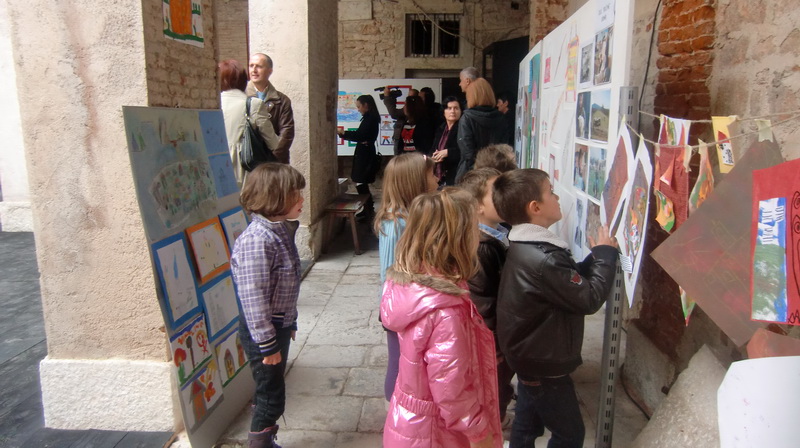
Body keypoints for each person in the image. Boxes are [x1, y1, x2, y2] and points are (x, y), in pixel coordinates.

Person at [492, 168, 619, 448]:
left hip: (527, 354)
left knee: (526, 425)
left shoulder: (529, 246)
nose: (558, 196)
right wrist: (607, 256)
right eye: (550, 191)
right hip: (542, 362)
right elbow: (588, 298)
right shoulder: (544, 257)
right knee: (570, 434)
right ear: (535, 207)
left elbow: (565, 284)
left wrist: (596, 257)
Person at [380, 188, 502, 448]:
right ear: (457, 239)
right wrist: (480, 434)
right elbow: (452, 390)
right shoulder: (446, 311)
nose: (478, 237)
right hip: (438, 434)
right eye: (474, 230)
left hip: (412, 423)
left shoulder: (413, 283)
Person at [230, 163, 306, 448]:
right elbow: (254, 299)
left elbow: (285, 285)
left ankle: (266, 440)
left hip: (278, 325)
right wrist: (268, 344)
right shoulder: (257, 240)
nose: (301, 200)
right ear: (274, 198)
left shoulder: (277, 231)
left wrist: (292, 321)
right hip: (265, 331)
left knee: (272, 390)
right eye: (294, 194)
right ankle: (259, 443)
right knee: (270, 396)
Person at [373, 153, 438, 401]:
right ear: (415, 182)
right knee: (399, 363)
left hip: (413, 303)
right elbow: (391, 272)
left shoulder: (415, 215)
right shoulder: (395, 221)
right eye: (431, 174)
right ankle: (394, 412)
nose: (436, 178)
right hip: (400, 307)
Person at [457, 168, 516, 426]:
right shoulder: (481, 247)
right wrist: (496, 346)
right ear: (478, 207)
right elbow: (484, 303)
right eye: (497, 193)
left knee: (500, 384)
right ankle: (495, 424)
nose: (506, 197)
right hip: (494, 342)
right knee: (494, 386)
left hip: (501, 336)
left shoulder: (499, 233)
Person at [219, 60, 281, 188]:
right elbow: (273, 143)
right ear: (243, 80)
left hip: (217, 166)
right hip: (244, 167)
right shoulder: (254, 104)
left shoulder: (211, 104)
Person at [455, 78, 508, 182]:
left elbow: (467, 152)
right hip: (497, 173)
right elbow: (505, 148)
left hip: (471, 175)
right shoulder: (501, 118)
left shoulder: (467, 118)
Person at [245, 53, 294, 164]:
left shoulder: (282, 100)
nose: (254, 70)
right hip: (249, 158)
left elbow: (287, 132)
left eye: (259, 66)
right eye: (251, 66)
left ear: (269, 71)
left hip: (274, 160)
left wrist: (273, 157)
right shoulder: (242, 97)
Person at [338, 94, 380, 221]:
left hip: (365, 154)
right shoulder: (368, 118)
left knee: (361, 181)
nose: (358, 109)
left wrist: (344, 133)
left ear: (366, 105)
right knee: (360, 181)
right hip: (364, 152)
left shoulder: (370, 119)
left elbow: (361, 135)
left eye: (359, 106)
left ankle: (369, 210)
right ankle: (367, 209)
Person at [431, 96, 462, 186]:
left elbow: (467, 150)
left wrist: (448, 152)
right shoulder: (441, 128)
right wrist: (434, 156)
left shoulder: (463, 128)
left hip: (455, 175)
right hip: (439, 175)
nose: (452, 111)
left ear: (461, 111)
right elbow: (434, 148)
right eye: (449, 108)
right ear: (444, 112)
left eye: (456, 108)